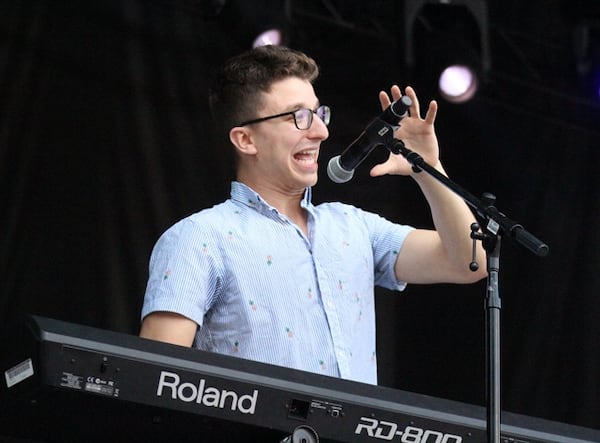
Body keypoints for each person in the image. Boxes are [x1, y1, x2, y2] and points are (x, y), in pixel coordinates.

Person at [139, 45, 486, 385]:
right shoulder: (199, 237)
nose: (321, 132)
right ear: (245, 140)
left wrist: (428, 168)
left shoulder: (354, 227)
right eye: (298, 117)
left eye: (319, 114)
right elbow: (155, 382)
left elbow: (469, 261)